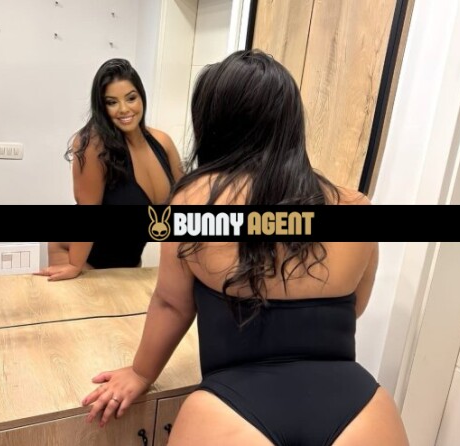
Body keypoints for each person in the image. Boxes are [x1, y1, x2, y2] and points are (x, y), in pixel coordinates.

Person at [81, 50, 409, 445]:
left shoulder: (192, 203)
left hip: (232, 405)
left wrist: (140, 373)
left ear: (214, 122)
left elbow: (171, 304)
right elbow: (353, 306)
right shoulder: (357, 207)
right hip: (359, 406)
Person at [37, 58, 182, 281]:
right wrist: (74, 265)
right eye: (112, 102)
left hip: (128, 262)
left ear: (141, 97)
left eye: (131, 98)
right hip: (78, 257)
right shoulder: (92, 145)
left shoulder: (162, 142)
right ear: (102, 107)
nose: (124, 109)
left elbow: (186, 201)